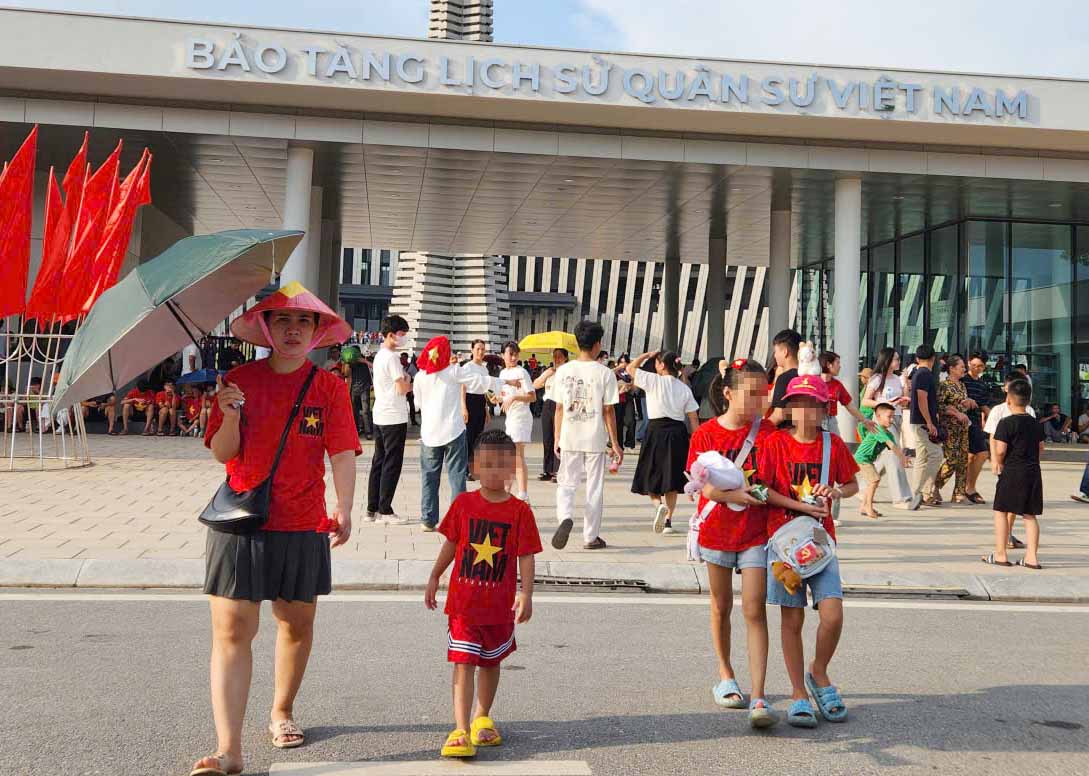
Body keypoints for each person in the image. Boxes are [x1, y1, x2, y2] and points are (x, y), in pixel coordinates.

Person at [192, 282, 359, 776]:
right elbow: (223, 453)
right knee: (231, 630)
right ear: (265, 328)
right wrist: (226, 414)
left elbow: (343, 451)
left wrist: (345, 506)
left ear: (317, 330)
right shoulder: (238, 381)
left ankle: (282, 710)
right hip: (240, 520)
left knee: (296, 623)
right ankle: (229, 750)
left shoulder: (328, 388)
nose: (292, 330)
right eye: (282, 321)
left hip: (303, 522)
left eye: (303, 322)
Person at [424, 430, 541, 759]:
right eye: (486, 464)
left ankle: (482, 716)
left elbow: (527, 554)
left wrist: (526, 593)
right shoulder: (463, 504)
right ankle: (460, 728)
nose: (492, 471)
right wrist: (435, 575)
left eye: (500, 465)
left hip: (499, 607)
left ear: (512, 469)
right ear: (474, 467)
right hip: (463, 606)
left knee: (490, 663)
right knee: (463, 663)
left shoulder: (520, 512)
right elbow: (450, 542)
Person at [759, 367, 858, 729]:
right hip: (783, 545)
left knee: (832, 613)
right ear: (788, 409)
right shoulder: (774, 443)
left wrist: (836, 491)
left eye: (812, 404)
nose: (804, 412)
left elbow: (852, 485)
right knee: (792, 618)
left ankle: (819, 671)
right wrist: (801, 506)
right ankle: (799, 693)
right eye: (797, 404)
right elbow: (762, 490)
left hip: (821, 544)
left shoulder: (832, 445)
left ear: (824, 408)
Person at [687, 358, 779, 728]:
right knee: (721, 604)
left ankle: (759, 695)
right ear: (727, 393)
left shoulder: (769, 433)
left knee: (755, 609)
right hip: (718, 531)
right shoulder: (705, 435)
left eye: (764, 393)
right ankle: (726, 673)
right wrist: (732, 495)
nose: (759, 401)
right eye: (751, 394)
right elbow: (700, 486)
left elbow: (776, 477)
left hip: (756, 531)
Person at [414, 336, 520, 531]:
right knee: (457, 477)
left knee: (429, 477)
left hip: (429, 433)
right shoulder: (453, 372)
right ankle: (458, 520)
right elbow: (480, 382)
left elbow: (417, 404)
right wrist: (506, 382)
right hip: (453, 432)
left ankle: (428, 519)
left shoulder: (420, 376)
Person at [551, 320, 622, 551]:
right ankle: (590, 536)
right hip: (595, 438)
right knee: (594, 487)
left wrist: (556, 437)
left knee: (567, 482)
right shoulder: (605, 373)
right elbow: (608, 410)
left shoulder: (563, 371)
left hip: (570, 435)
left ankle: (564, 517)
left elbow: (559, 408)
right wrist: (615, 443)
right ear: (597, 344)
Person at [628, 350, 700, 535]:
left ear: (661, 365)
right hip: (677, 433)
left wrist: (645, 355)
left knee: (650, 472)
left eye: (657, 362)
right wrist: (696, 439)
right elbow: (693, 417)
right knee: (672, 479)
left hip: (656, 431)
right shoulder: (684, 388)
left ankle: (658, 505)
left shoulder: (653, 380)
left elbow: (630, 368)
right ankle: (668, 521)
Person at [984, 378, 1044, 570]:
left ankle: (1001, 554)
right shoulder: (1036, 423)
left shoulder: (1006, 423)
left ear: (1009, 399)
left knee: (1001, 511)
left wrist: (999, 462)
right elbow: (1040, 447)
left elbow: (1000, 450)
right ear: (1028, 400)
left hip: (1012, 471)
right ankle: (1032, 557)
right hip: (1033, 471)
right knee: (1030, 515)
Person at [367, 315, 413, 524]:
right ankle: (385, 510)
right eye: (402, 334)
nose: (404, 338)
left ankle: (372, 508)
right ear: (392, 335)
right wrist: (409, 380)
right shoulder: (393, 358)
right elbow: (402, 387)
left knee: (379, 461)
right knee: (391, 464)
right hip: (394, 416)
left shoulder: (379, 356)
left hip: (380, 414)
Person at [854, 402, 918, 517]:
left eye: (893, 416)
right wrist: (902, 458)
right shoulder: (878, 429)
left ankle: (864, 506)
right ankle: (868, 507)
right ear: (878, 417)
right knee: (874, 480)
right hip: (862, 459)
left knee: (872, 481)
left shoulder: (888, 433)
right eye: (889, 417)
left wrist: (904, 456)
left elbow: (895, 447)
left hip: (869, 459)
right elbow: (891, 446)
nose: (892, 420)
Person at [497, 341, 536, 502]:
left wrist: (514, 397)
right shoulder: (502, 374)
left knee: (517, 455)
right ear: (503, 355)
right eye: (510, 354)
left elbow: (532, 396)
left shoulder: (522, 372)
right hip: (510, 418)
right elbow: (503, 395)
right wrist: (497, 398)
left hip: (521, 417)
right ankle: (508, 491)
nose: (513, 357)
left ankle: (522, 494)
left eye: (515, 354)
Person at [931, 355, 971, 505]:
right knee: (951, 459)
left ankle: (959, 493)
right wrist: (956, 413)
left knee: (963, 460)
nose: (964, 369)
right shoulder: (944, 385)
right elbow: (940, 406)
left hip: (963, 427)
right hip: (950, 428)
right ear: (952, 368)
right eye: (961, 367)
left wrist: (968, 403)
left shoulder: (962, 385)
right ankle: (934, 485)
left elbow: (960, 402)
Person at [909, 345, 943, 507]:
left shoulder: (917, 373)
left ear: (917, 358)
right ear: (933, 359)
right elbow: (922, 398)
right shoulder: (924, 374)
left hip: (918, 420)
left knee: (922, 457)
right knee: (936, 454)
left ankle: (918, 492)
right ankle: (923, 490)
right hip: (922, 422)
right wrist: (929, 422)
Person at [533, 347, 568, 482]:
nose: (556, 359)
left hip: (560, 405)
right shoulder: (549, 372)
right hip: (547, 404)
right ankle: (547, 470)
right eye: (554, 356)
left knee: (558, 439)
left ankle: (558, 471)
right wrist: (546, 374)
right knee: (547, 439)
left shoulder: (567, 373)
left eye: (559, 356)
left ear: (565, 358)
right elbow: (535, 385)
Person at [962, 353, 993, 504]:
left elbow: (984, 406)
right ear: (968, 364)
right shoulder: (961, 381)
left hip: (974, 423)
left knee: (981, 454)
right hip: (960, 422)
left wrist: (995, 420)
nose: (976, 368)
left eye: (979, 366)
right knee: (967, 457)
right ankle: (964, 489)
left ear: (984, 367)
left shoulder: (983, 385)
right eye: (973, 365)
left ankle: (969, 488)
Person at [462, 340, 492, 481]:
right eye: (478, 349)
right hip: (469, 400)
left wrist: (486, 409)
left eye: (483, 349)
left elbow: (485, 390)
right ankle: (467, 469)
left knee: (479, 438)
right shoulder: (467, 367)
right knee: (469, 437)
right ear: (472, 350)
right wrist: (463, 407)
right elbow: (462, 388)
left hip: (480, 401)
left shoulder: (484, 369)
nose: (481, 352)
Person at [768, 329, 801, 426]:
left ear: (785, 352)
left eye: (776, 351)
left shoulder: (784, 378)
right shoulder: (811, 377)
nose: (775, 355)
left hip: (788, 435)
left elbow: (779, 415)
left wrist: (760, 430)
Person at [342, 345, 373, 439]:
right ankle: (355, 430)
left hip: (365, 388)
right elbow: (345, 374)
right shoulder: (350, 363)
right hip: (354, 389)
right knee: (354, 411)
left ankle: (368, 432)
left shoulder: (364, 361)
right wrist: (347, 363)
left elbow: (372, 366)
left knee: (365, 411)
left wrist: (363, 360)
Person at [614, 356, 638, 449]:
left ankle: (629, 441)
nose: (623, 364)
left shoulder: (630, 373)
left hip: (628, 398)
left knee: (631, 421)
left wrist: (631, 384)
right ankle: (618, 445)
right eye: (621, 362)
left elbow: (635, 389)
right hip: (617, 399)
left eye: (625, 362)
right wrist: (619, 368)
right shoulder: (615, 372)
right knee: (618, 423)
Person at [401, 351, 420, 427]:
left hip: (409, 388)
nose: (402, 360)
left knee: (411, 405)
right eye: (401, 358)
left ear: (406, 358)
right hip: (401, 388)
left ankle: (413, 420)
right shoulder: (399, 366)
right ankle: (403, 420)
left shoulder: (411, 366)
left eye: (403, 358)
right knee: (401, 404)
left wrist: (412, 389)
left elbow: (416, 377)